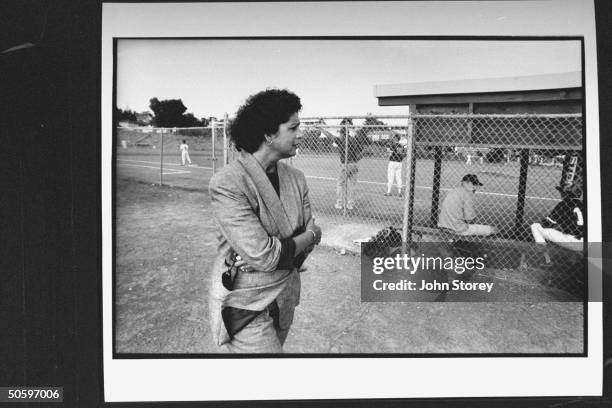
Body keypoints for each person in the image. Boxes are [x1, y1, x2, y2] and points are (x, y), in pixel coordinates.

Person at [208, 89, 322, 353]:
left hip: (285, 297)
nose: (300, 134)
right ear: (269, 134)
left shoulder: (296, 178)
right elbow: (266, 256)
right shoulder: (228, 183)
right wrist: (311, 235)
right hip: (245, 304)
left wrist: (284, 250)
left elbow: (274, 255)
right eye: (293, 128)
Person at [320, 119, 370, 210]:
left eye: (340, 134)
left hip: (345, 165)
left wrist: (321, 129)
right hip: (354, 164)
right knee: (352, 186)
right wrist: (355, 160)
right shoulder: (354, 140)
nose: (339, 135)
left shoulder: (342, 140)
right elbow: (362, 153)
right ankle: (350, 204)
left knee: (340, 184)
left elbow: (330, 136)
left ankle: (339, 203)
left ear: (342, 134)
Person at [530, 182, 584, 267]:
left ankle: (547, 261)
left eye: (562, 192)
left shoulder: (562, 205)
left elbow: (547, 224)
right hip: (588, 242)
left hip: (571, 241)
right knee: (575, 230)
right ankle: (574, 260)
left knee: (535, 227)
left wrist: (544, 221)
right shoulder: (585, 205)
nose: (561, 194)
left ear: (566, 194)